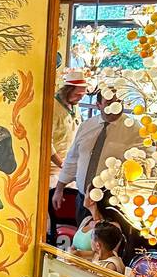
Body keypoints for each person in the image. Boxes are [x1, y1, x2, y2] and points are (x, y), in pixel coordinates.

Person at [54, 91, 136, 223]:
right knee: (82, 239)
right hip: (83, 199)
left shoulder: (134, 129)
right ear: (98, 105)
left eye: (118, 102)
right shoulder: (87, 126)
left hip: (112, 202)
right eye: (109, 103)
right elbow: (73, 159)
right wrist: (59, 189)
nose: (115, 106)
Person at [51, 75, 88, 170]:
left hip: (70, 162)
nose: (80, 98)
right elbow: (47, 145)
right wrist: (63, 166)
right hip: (54, 168)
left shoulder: (74, 104)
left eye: (82, 95)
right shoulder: (52, 108)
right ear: (67, 91)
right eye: (77, 94)